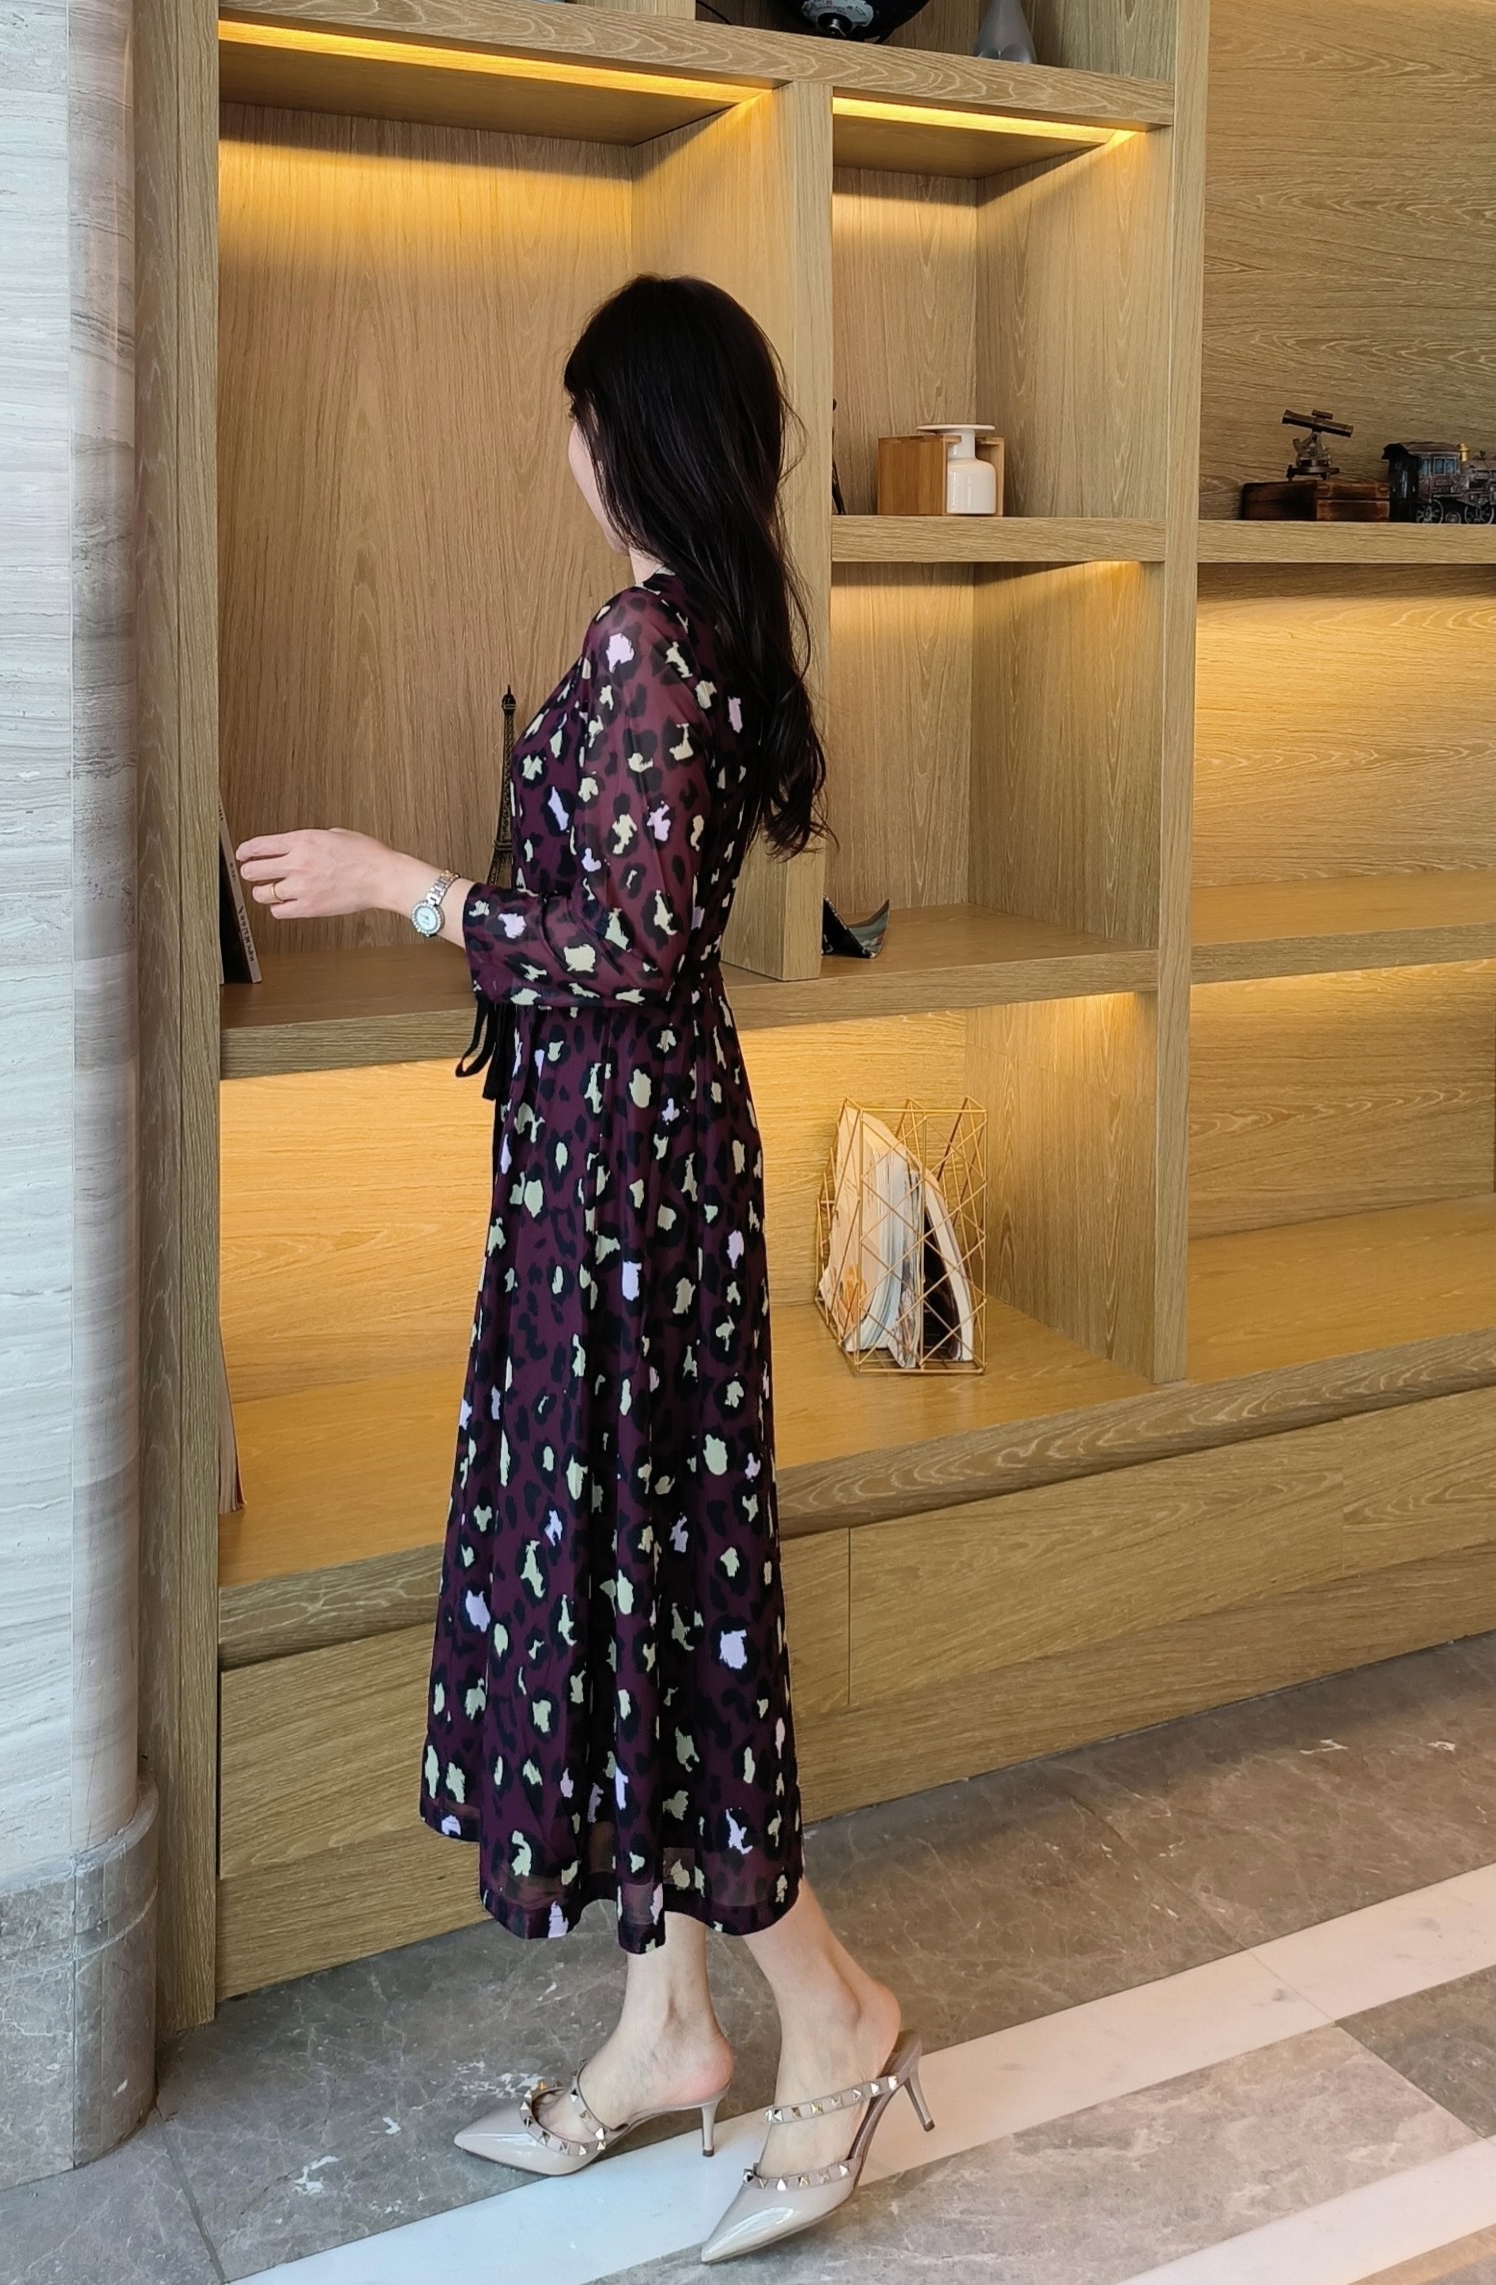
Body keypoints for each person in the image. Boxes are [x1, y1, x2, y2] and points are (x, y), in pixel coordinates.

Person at [236, 275, 931, 2262]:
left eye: (577, 413)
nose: (562, 442)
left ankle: (832, 2013)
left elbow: (617, 945)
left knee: (653, 1603)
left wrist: (398, 886)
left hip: (618, 1186)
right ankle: (662, 2027)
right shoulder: (704, 632)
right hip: (632, 1168)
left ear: (627, 435)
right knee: (639, 1593)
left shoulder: (649, 645)